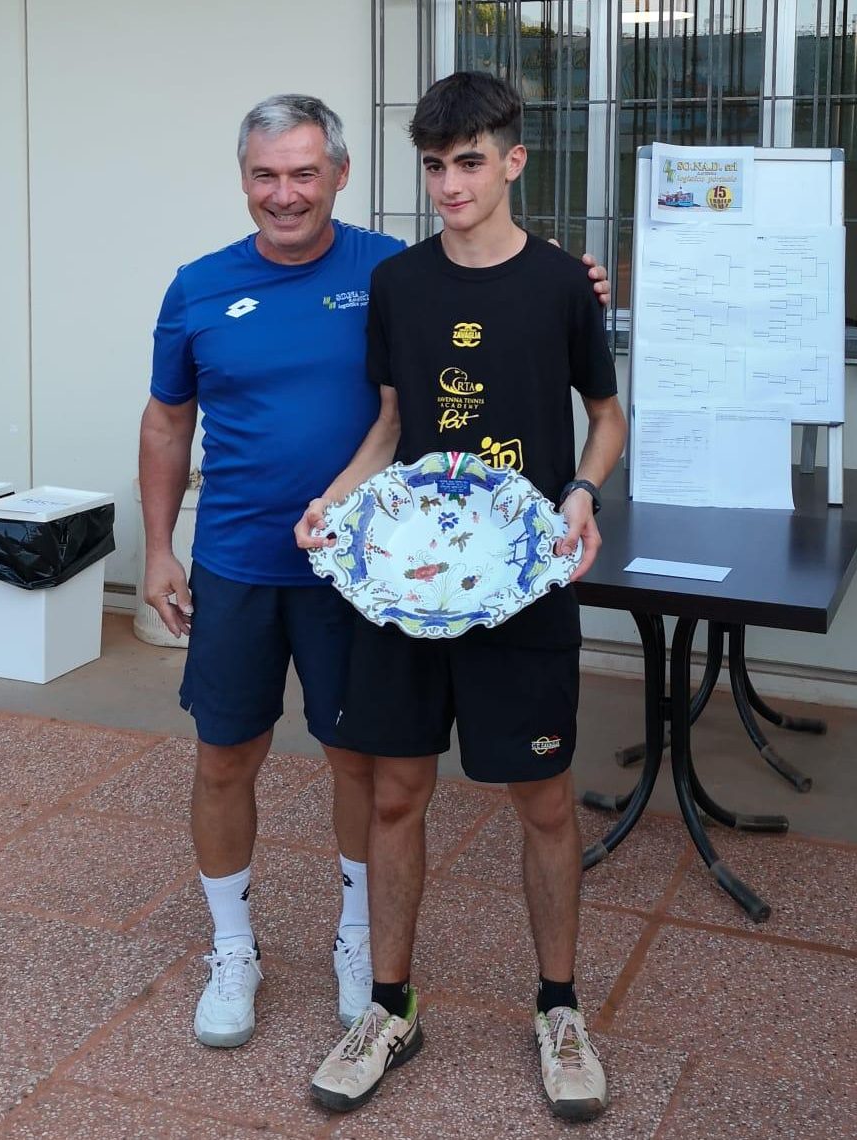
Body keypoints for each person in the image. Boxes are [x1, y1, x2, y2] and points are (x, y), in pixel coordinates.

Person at [139, 93, 609, 1051]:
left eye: (304, 172)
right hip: (266, 563)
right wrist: (160, 545)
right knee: (242, 756)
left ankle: (393, 954)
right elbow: (173, 422)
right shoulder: (219, 286)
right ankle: (244, 952)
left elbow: (542, 334)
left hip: (416, 576)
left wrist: (581, 290)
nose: (285, 193)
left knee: (393, 768)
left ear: (340, 177)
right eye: (266, 175)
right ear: (242, 180)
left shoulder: (393, 270)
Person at [295, 72, 627, 1121]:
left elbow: (607, 416)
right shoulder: (401, 285)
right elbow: (395, 424)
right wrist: (333, 505)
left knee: (542, 802)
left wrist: (579, 492)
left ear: (514, 161)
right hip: (405, 585)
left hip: (524, 584)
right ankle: (391, 1007)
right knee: (394, 792)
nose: (449, 184)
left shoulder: (564, 287)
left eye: (470, 162)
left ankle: (561, 1009)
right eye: (435, 165)